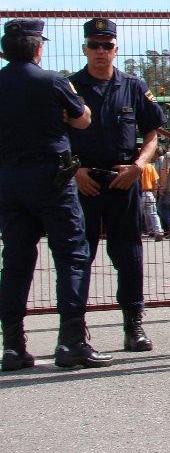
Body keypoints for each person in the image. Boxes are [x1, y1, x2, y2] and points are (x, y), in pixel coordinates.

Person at [0, 19, 112, 371]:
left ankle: (13, 347)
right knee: (71, 257)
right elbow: (82, 120)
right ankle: (71, 341)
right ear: (38, 48)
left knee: (16, 263)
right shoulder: (52, 81)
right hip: (51, 177)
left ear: (5, 50)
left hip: (9, 177)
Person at [68, 18, 165, 353]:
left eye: (106, 46)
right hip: (84, 184)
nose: (100, 52)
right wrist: (75, 171)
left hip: (124, 180)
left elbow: (152, 134)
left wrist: (139, 167)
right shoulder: (70, 88)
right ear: (85, 49)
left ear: (115, 49)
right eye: (94, 45)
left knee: (129, 255)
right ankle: (76, 330)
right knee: (79, 257)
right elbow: (57, 138)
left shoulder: (133, 87)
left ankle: (133, 326)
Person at [139, 161, 163, 240]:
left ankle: (136, 232)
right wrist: (154, 194)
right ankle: (158, 231)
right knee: (153, 214)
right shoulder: (150, 166)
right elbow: (155, 182)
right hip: (149, 193)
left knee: (137, 214)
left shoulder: (137, 166)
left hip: (139, 193)